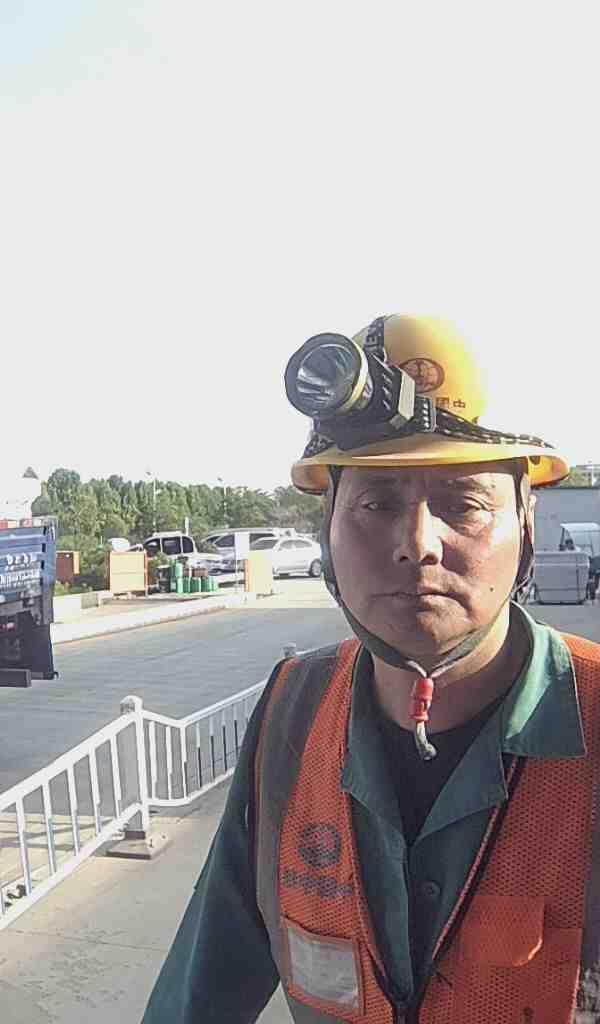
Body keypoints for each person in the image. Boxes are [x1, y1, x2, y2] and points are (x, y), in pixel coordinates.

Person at [143, 316, 600, 1023]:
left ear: (526, 523)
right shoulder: (293, 712)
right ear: (327, 530)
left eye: (464, 504)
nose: (417, 543)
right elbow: (203, 983)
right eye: (378, 503)